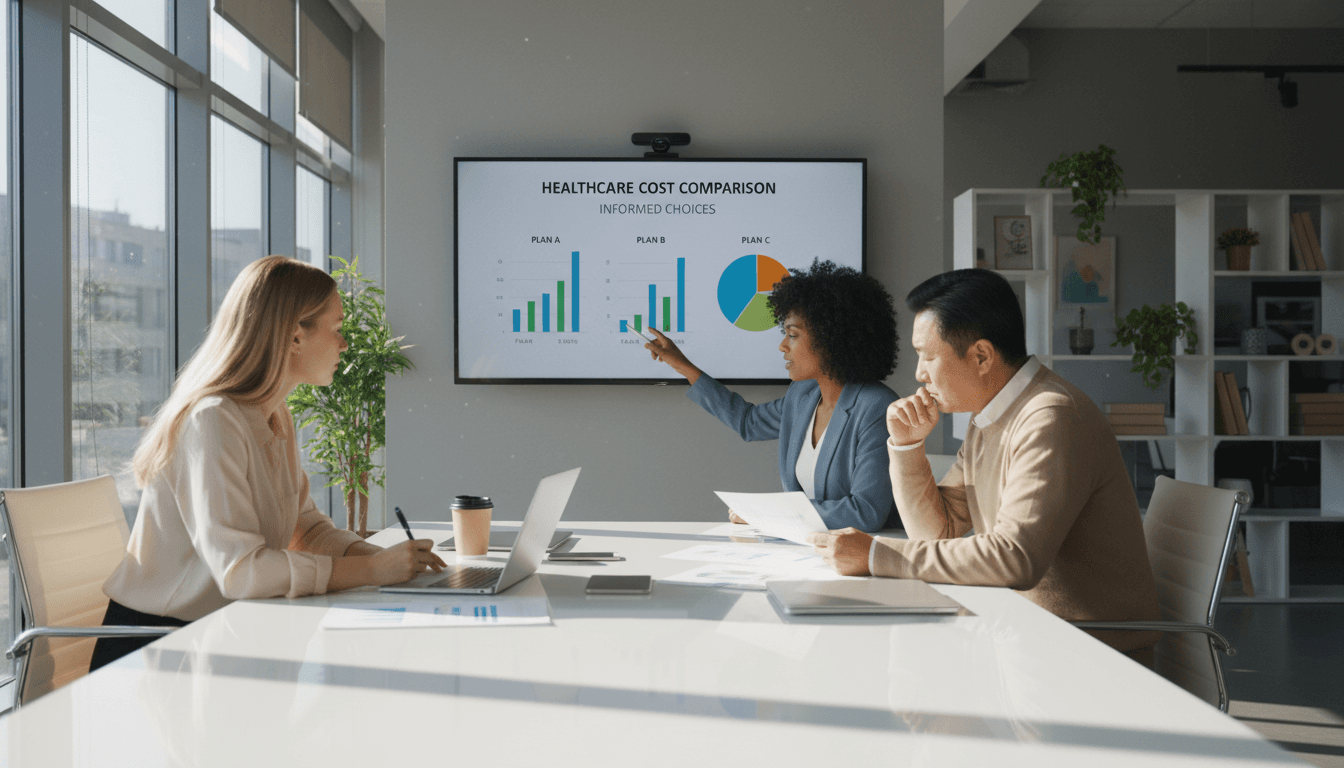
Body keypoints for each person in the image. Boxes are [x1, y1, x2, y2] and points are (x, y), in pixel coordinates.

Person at [92, 256, 446, 671]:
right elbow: (240, 573)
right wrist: (370, 569)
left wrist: (390, 562)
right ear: (295, 336)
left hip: (223, 634)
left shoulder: (274, 414)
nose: (345, 344)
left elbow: (305, 528)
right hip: (160, 651)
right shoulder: (212, 420)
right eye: (336, 330)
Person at [807, 268, 1160, 659]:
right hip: (1026, 633)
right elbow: (937, 532)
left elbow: (1015, 558)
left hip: (1089, 654)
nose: (918, 373)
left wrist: (877, 555)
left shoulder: (1050, 416)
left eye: (927, 356)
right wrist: (906, 446)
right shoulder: (989, 417)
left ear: (981, 356)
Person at [645, 259, 900, 531]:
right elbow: (748, 422)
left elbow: (866, 513)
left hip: (862, 556)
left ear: (831, 338)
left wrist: (769, 515)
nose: (782, 346)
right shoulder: (803, 395)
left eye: (792, 335)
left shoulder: (876, 406)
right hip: (809, 549)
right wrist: (681, 364)